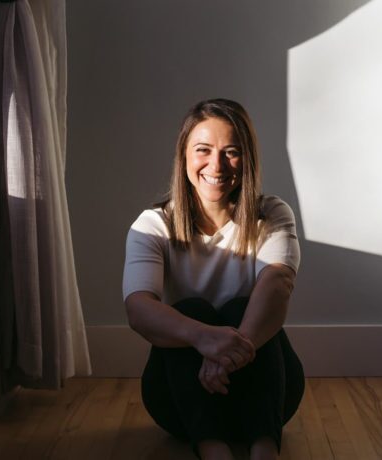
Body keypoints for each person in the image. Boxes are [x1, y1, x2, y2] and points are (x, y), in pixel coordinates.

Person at [122, 98, 305, 460]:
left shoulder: (272, 214)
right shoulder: (153, 225)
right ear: (185, 157)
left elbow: (278, 283)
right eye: (203, 150)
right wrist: (205, 338)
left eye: (231, 152)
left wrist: (227, 353)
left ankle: (264, 449)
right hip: (180, 404)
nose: (216, 165)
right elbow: (138, 308)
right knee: (191, 310)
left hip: (267, 400)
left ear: (247, 158)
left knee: (243, 307)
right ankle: (212, 449)